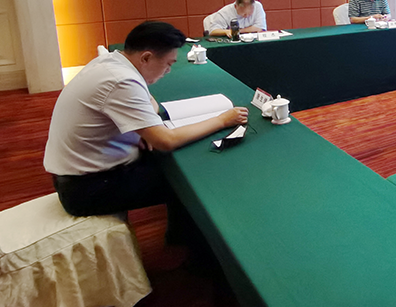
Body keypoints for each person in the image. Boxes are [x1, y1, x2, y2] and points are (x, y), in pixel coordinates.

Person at [44, 21, 249, 219]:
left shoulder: (113, 61)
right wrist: (222, 120)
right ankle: (185, 242)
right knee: (189, 181)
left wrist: (142, 128)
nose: (168, 71)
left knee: (176, 162)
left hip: (83, 175)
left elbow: (152, 103)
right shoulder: (121, 81)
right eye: (167, 64)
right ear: (146, 58)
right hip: (87, 188)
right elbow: (166, 140)